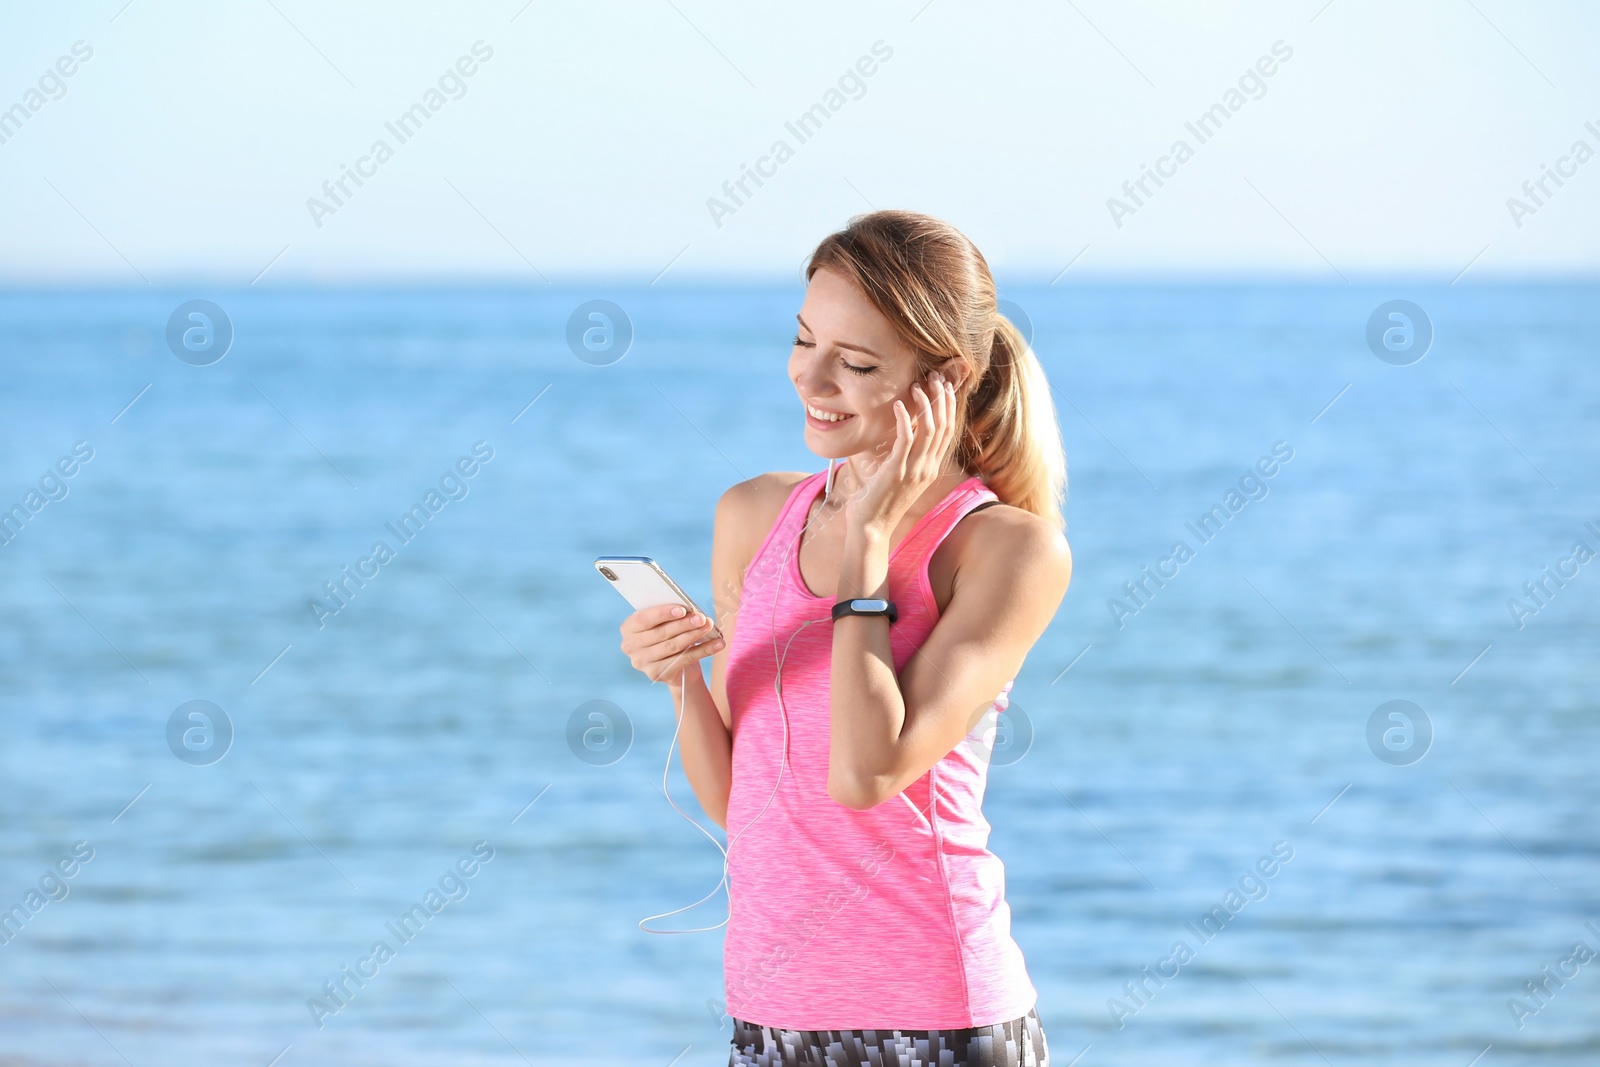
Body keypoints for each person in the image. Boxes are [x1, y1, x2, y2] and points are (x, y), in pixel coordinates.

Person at [618, 210, 1073, 1067]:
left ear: (948, 379)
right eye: (803, 341)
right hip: (771, 1011)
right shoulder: (752, 515)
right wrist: (680, 676)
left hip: (938, 1016)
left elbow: (866, 775)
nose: (811, 379)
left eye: (856, 363)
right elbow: (738, 804)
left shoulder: (1005, 549)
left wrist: (868, 552)